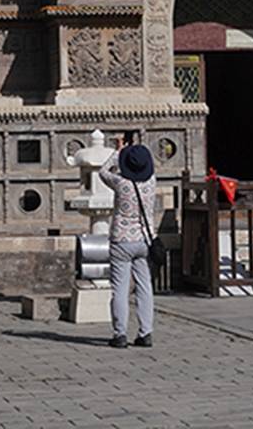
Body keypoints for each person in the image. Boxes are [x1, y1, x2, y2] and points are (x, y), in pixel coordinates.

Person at [98, 139, 159, 348]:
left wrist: (119, 152)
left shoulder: (121, 184)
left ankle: (120, 333)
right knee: (144, 286)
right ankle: (146, 332)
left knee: (120, 288)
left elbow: (103, 171)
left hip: (121, 241)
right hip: (144, 240)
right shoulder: (152, 181)